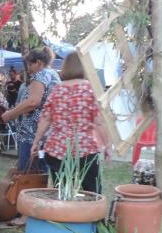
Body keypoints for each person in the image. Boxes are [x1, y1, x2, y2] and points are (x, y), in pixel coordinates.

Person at [31, 52, 111, 194]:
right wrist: (107, 146)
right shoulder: (89, 90)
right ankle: (93, 216)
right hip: (84, 149)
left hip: (57, 149)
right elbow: (99, 122)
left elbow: (45, 119)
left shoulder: (57, 90)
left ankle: (63, 215)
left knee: (62, 193)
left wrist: (36, 142)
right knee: (93, 193)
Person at [1, 48, 60, 172]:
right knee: (42, 175)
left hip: (32, 136)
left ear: (38, 62)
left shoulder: (40, 75)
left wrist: (10, 114)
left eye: (30, 64)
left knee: (28, 176)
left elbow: (33, 101)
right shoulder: (54, 74)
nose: (28, 69)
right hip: (48, 135)